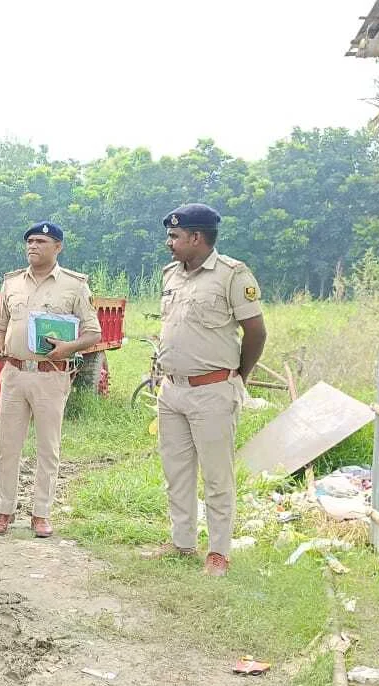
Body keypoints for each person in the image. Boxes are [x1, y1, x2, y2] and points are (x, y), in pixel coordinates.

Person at [149, 203, 266, 577]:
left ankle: (218, 552)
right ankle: (181, 542)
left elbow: (256, 333)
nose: (169, 243)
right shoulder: (171, 275)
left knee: (217, 476)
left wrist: (237, 378)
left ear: (196, 238)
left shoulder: (232, 275)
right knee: (177, 471)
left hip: (213, 391)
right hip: (172, 391)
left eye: (175, 236)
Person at [0, 222, 101, 538]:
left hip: (51, 377)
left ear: (58, 247)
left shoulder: (74, 285)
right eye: (29, 241)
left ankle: (41, 512)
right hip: (13, 373)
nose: (33, 246)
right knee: (7, 445)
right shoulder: (12, 283)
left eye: (41, 241)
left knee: (47, 447)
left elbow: (93, 332)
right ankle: (4, 510)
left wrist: (69, 347)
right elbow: (0, 323)